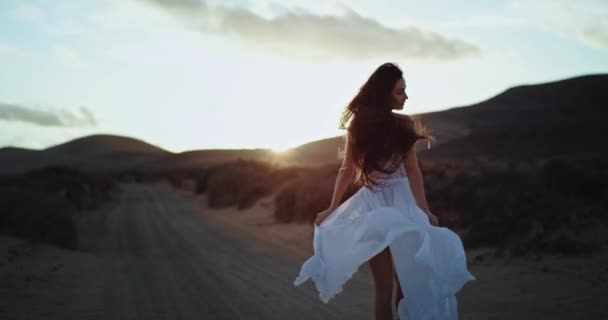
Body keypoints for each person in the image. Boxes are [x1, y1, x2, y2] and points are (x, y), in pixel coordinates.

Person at [293, 63, 475, 320]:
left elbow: (406, 171)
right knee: (396, 285)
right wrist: (332, 207)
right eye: (400, 91)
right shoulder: (381, 125)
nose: (406, 97)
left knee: (394, 286)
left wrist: (424, 209)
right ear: (384, 93)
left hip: (381, 207)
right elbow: (353, 169)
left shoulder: (388, 124)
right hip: (393, 206)